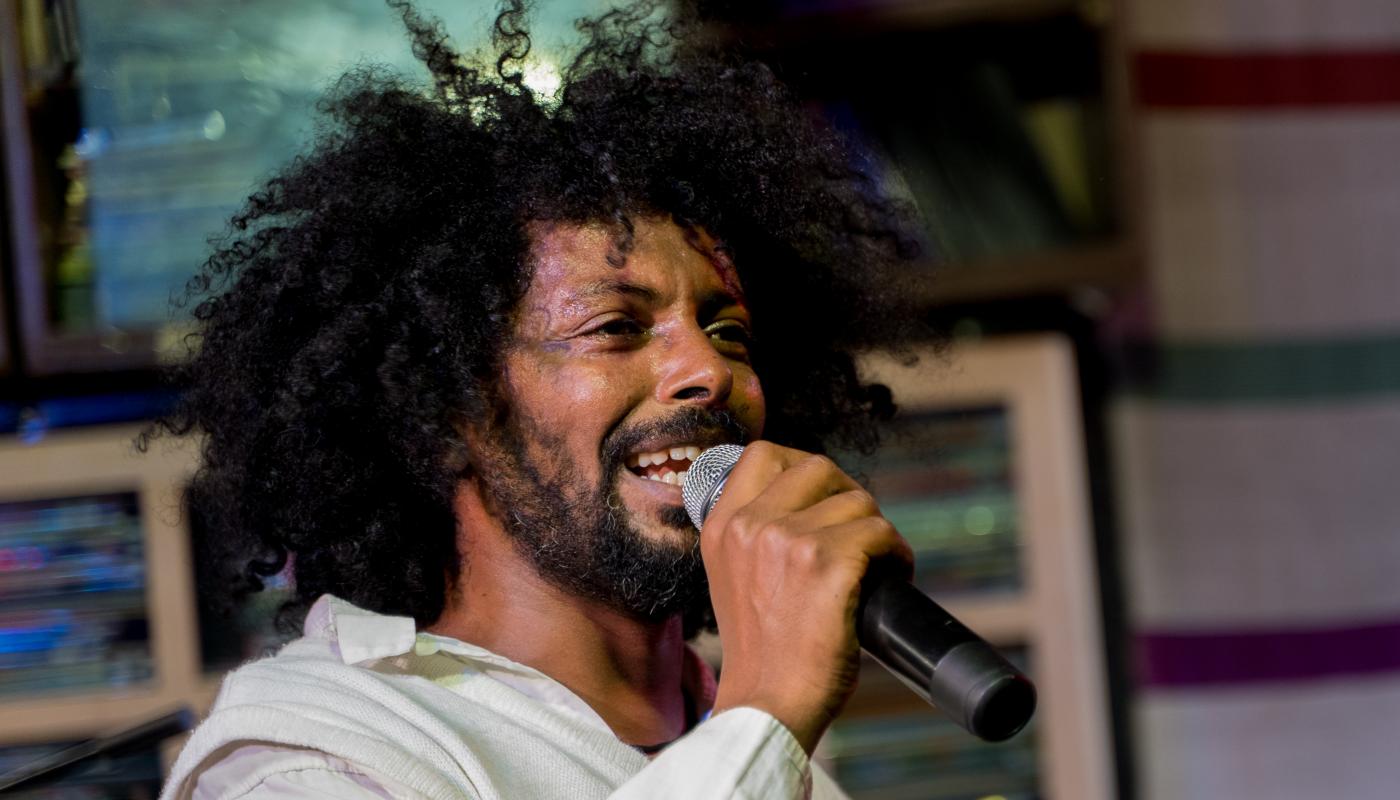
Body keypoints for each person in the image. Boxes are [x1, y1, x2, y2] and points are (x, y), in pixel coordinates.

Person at [152, 1, 926, 797]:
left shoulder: (751, 740)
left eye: (728, 330)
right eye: (616, 326)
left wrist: (758, 720)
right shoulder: (315, 757)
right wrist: (766, 712)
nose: (708, 369)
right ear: (447, 409)